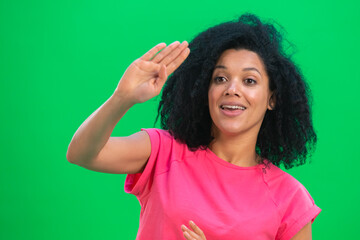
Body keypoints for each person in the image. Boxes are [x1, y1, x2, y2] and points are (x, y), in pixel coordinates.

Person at [67, 14, 321, 240]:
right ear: (205, 90)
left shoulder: (290, 199)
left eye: (249, 80)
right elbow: (81, 154)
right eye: (220, 78)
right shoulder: (163, 151)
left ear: (272, 99)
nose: (232, 89)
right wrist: (121, 99)